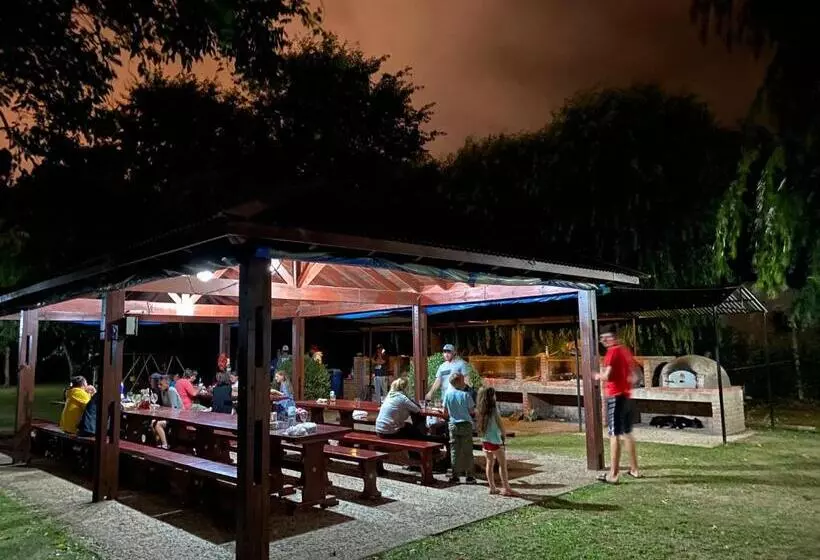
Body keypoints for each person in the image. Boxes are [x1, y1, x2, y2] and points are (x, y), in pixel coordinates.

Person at [594, 325, 641, 484]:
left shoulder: (612, 352)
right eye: (602, 339)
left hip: (615, 396)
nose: (603, 341)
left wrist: (597, 375)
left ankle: (613, 474)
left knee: (614, 435)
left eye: (605, 338)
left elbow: (607, 376)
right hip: (627, 397)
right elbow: (634, 376)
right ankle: (634, 469)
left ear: (612, 337)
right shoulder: (625, 351)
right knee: (627, 433)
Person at [476, 387, 517, 496]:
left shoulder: (480, 410)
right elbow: (500, 425)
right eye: (494, 395)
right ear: (491, 397)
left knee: (489, 463)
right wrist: (503, 435)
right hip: (495, 440)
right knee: (502, 464)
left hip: (485, 440)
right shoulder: (494, 410)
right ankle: (506, 488)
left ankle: (492, 487)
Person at [443, 372, 476, 484]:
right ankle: (469, 476)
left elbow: (445, 412)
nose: (464, 382)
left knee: (454, 451)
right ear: (458, 382)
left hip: (453, 424)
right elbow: (472, 411)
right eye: (462, 380)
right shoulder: (466, 395)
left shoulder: (448, 395)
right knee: (467, 451)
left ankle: (455, 476)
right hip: (465, 424)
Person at [152, 375, 182, 449]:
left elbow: (174, 408)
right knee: (152, 422)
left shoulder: (171, 390)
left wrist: (163, 412)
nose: (159, 386)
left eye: (161, 384)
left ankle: (165, 445)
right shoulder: (163, 391)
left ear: (167, 384)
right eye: (158, 384)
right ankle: (158, 444)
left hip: (177, 417)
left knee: (158, 424)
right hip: (169, 416)